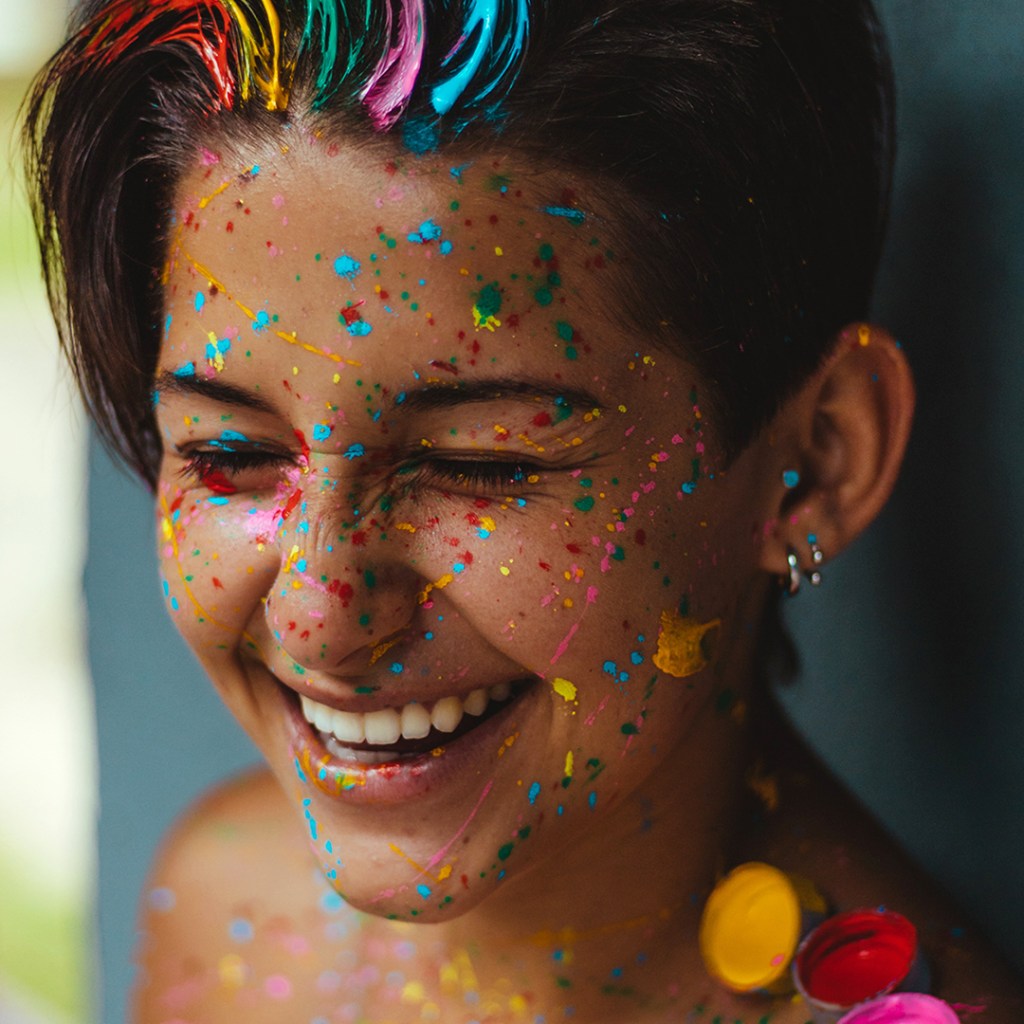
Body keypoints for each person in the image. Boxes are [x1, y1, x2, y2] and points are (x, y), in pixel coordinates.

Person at [22, 0, 1024, 1020]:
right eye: (229, 453)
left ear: (813, 461)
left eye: (478, 462)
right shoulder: (228, 908)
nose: (318, 614)